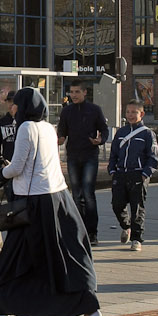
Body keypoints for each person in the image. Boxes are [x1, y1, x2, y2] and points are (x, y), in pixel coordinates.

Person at [0, 87, 104, 316]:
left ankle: (4, 308)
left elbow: (17, 167)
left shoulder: (26, 128)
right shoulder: (47, 127)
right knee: (64, 255)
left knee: (13, 258)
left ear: (25, 107)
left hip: (34, 204)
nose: (12, 108)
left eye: (15, 104)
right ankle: (5, 308)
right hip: (58, 197)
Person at [56, 84, 108, 245]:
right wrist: (59, 139)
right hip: (72, 156)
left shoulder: (94, 110)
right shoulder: (67, 111)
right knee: (76, 195)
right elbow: (62, 132)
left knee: (88, 193)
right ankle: (78, 230)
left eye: (77, 92)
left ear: (85, 92)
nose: (74, 95)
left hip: (90, 155)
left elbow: (104, 130)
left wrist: (100, 140)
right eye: (71, 92)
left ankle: (92, 232)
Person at [106, 100, 158, 252]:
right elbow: (114, 153)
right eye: (128, 111)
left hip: (138, 174)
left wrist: (145, 174)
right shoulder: (121, 133)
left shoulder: (147, 134)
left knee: (137, 208)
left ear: (141, 114)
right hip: (120, 174)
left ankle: (136, 239)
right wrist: (112, 171)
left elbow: (153, 158)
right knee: (117, 205)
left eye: (134, 112)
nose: (130, 115)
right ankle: (125, 226)